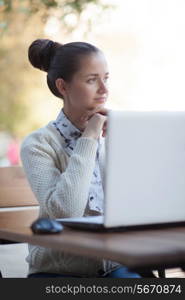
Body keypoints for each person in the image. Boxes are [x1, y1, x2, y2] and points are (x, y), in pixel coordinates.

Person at [20, 39, 141, 278]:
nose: (104, 90)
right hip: (59, 273)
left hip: (118, 266)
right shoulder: (39, 144)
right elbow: (66, 211)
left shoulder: (116, 134)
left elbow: (141, 203)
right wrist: (90, 137)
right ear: (63, 86)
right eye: (91, 80)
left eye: (106, 78)